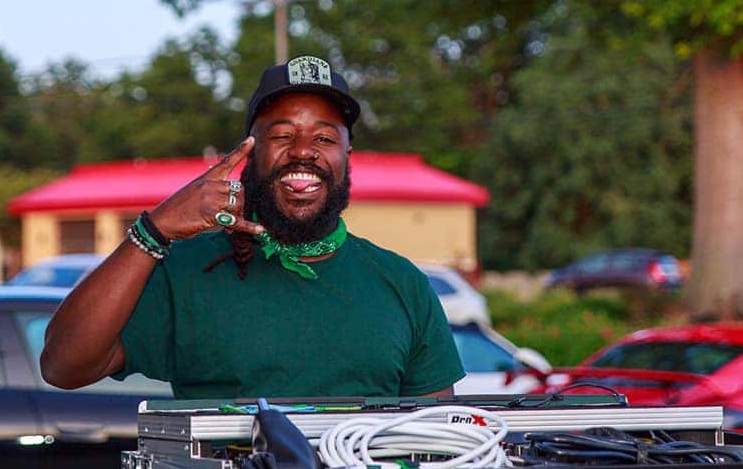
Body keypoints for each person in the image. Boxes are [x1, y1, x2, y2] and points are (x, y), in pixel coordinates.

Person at [40, 55, 464, 399]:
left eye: (324, 138)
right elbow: (63, 366)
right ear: (249, 152)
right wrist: (154, 230)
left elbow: (434, 440)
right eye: (282, 136)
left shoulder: (401, 283)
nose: (303, 151)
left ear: (347, 155)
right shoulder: (187, 270)